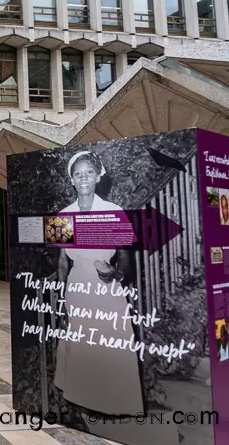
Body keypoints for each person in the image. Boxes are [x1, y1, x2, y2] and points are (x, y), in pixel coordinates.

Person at [54, 151, 143, 416]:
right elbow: (61, 262)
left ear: (97, 177)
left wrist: (116, 275)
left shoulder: (114, 212)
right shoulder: (62, 215)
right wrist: (61, 300)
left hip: (107, 291)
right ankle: (83, 401)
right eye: (78, 174)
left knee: (111, 343)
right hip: (77, 288)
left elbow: (126, 258)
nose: (83, 178)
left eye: (88, 173)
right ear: (71, 179)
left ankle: (113, 404)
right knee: (82, 345)